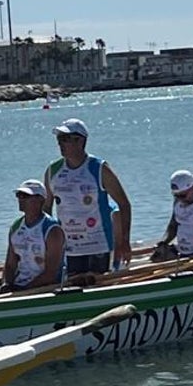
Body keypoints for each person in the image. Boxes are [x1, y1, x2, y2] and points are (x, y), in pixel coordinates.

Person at [42, 118, 133, 283]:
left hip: (99, 244)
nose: (60, 144)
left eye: (65, 139)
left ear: (80, 141)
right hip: (70, 247)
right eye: (59, 139)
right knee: (74, 287)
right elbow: (46, 210)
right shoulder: (53, 171)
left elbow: (124, 204)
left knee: (100, 285)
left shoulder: (99, 168)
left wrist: (124, 241)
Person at [0, 180, 66, 293]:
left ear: (41, 200)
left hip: (45, 287)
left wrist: (25, 289)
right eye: (19, 195)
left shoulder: (52, 230)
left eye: (26, 196)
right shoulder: (15, 227)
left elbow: (51, 273)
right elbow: (10, 264)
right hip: (20, 284)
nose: (21, 199)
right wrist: (7, 284)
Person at [157, 170, 193, 257]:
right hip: (183, 249)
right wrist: (163, 242)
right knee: (156, 257)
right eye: (176, 195)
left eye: (182, 196)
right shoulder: (178, 199)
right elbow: (173, 225)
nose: (180, 199)